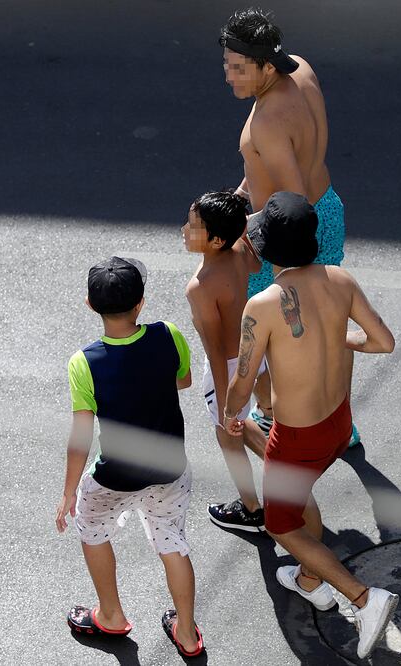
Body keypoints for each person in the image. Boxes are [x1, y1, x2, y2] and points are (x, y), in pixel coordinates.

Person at [223, 193, 398, 660]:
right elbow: (383, 342)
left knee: (281, 524)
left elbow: (243, 380)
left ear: (268, 249)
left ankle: (364, 598)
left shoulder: (262, 304)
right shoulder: (341, 280)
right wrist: (336, 335)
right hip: (339, 426)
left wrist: (231, 413)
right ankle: (309, 580)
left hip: (297, 438)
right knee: (299, 498)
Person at [218, 7, 361, 447]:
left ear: (264, 66)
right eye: (226, 64)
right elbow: (292, 160)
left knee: (275, 331)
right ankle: (341, 424)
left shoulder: (267, 121)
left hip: (287, 236)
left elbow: (293, 201)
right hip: (329, 208)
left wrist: (252, 233)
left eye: (239, 68)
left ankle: (281, 421)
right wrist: (244, 190)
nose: (229, 76)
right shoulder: (299, 66)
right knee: (331, 322)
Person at [55, 257, 205, 658]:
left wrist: (69, 492)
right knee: (172, 542)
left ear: (89, 304)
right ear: (141, 301)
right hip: (170, 468)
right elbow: (184, 380)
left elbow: (81, 436)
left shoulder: (84, 362)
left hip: (115, 476)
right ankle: (187, 635)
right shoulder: (168, 334)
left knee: (92, 528)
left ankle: (111, 616)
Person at [182, 190, 272, 533]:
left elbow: (215, 350)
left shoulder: (199, 288)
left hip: (230, 366)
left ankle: (251, 510)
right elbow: (255, 264)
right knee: (241, 423)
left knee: (228, 436)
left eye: (193, 227)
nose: (184, 231)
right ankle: (281, 467)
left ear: (217, 238)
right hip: (256, 351)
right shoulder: (237, 248)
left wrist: (225, 405)